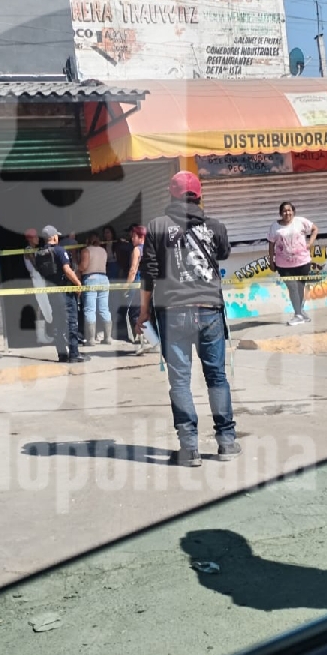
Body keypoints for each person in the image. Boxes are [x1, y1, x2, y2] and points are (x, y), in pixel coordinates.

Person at [137, 171, 238, 467]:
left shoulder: (156, 227)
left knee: (179, 381)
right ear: (199, 195)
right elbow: (222, 252)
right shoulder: (216, 226)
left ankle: (189, 449)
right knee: (216, 377)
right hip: (209, 310)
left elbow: (149, 274)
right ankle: (227, 443)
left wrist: (143, 311)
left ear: (171, 195)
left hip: (172, 312)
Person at [37, 226, 86, 363]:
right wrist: (78, 283)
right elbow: (67, 269)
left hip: (51, 292)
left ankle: (62, 354)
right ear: (53, 237)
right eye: (56, 235)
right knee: (71, 321)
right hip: (64, 291)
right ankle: (74, 354)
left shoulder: (40, 253)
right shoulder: (59, 250)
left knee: (58, 323)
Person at [267, 201, 318, 325]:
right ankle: (298, 314)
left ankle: (300, 313)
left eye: (289, 210)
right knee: (292, 287)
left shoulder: (300, 221)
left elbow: (315, 229)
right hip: (283, 265)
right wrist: (271, 261)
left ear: (293, 212)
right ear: (280, 213)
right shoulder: (275, 227)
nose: (287, 213)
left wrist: (310, 243)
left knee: (300, 287)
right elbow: (271, 244)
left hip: (302, 261)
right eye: (284, 211)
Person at [123, 224, 156, 355]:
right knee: (147, 313)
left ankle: (148, 342)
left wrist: (126, 287)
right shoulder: (151, 249)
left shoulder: (137, 250)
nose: (132, 239)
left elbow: (133, 269)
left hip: (137, 285)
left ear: (140, 237)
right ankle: (150, 341)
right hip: (150, 284)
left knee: (135, 314)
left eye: (134, 236)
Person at [80, 232, 113, 346]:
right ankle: (108, 338)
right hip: (104, 279)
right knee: (104, 309)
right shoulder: (103, 251)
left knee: (90, 309)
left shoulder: (86, 250)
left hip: (91, 278)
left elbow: (84, 266)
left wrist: (77, 270)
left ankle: (91, 339)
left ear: (88, 240)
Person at [22, 228, 53, 345]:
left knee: (44, 306)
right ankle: (40, 336)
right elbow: (37, 264)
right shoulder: (29, 250)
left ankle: (43, 334)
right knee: (40, 306)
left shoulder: (35, 249)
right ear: (30, 239)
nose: (37, 238)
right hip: (37, 279)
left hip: (40, 279)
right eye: (35, 237)